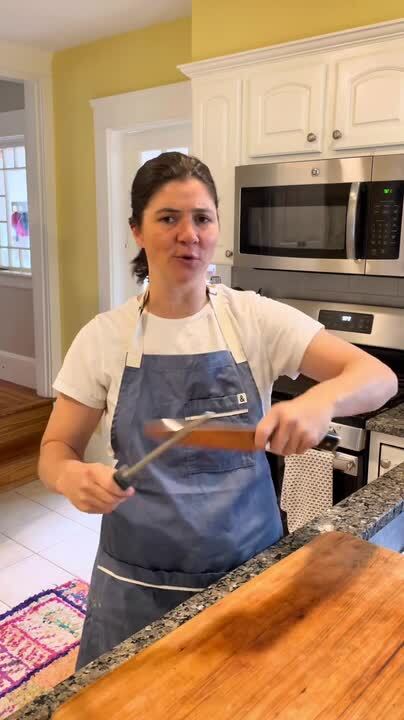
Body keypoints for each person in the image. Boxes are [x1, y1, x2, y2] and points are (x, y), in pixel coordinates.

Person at [38, 152, 397, 669]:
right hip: (134, 583)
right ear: (137, 231)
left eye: (202, 218)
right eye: (168, 218)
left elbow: (378, 377)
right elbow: (54, 450)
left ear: (217, 228)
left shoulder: (253, 318)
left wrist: (321, 400)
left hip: (246, 572)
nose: (189, 234)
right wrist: (70, 475)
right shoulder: (103, 337)